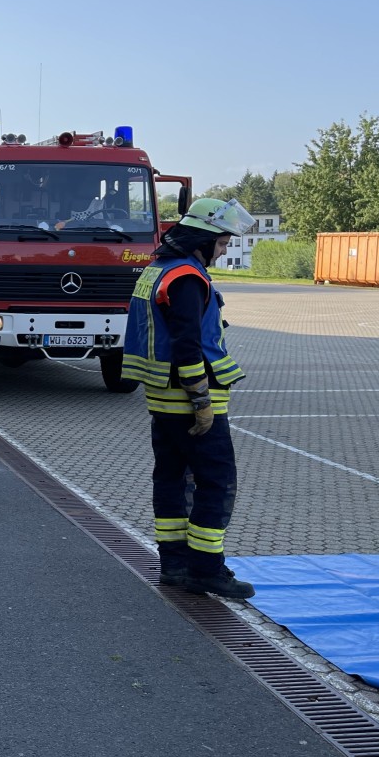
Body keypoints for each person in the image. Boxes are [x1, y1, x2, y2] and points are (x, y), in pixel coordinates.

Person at [123, 197, 256, 600]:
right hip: (189, 402)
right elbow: (187, 344)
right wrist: (201, 401)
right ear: (204, 238)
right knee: (216, 482)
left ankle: (175, 565)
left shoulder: (158, 269)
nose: (224, 250)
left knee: (170, 478)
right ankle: (206, 569)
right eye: (222, 242)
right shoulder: (186, 277)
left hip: (162, 400)